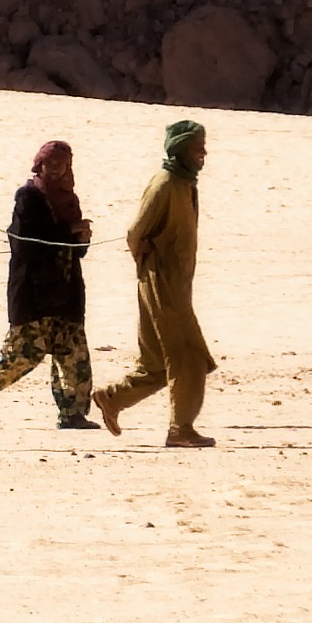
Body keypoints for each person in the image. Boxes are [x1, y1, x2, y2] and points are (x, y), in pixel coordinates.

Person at [0, 138, 95, 429]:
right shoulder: (28, 197)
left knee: (73, 355)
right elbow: (25, 245)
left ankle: (73, 413)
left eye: (63, 165)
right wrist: (68, 233)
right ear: (40, 165)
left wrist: (81, 239)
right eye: (51, 164)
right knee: (24, 354)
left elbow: (74, 249)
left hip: (67, 291)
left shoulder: (69, 198)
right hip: (34, 293)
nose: (57, 170)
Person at [94, 120, 215, 446]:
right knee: (188, 356)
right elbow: (135, 233)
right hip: (163, 285)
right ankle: (181, 430)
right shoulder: (165, 184)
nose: (203, 153)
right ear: (180, 150)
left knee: (156, 363)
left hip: (172, 284)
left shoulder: (185, 183)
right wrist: (146, 259)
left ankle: (113, 399)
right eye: (196, 147)